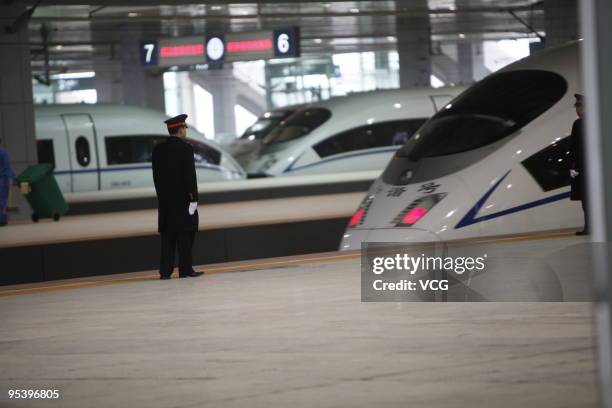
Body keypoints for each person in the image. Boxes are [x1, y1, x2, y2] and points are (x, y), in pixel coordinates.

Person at [152, 114, 204, 280]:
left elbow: (156, 177)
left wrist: (162, 197)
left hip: (165, 202)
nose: (185, 130)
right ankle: (185, 269)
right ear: (181, 130)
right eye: (185, 128)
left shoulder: (158, 150)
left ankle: (165, 272)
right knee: (185, 235)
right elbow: (190, 177)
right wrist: (194, 198)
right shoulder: (185, 149)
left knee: (168, 237)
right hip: (183, 201)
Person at [569, 93, 588, 235]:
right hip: (584, 169)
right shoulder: (578, 123)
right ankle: (590, 226)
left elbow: (575, 148)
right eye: (577, 106)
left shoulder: (581, 123)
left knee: (588, 200)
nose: (577, 109)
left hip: (587, 170)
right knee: (587, 200)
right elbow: (574, 148)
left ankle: (591, 226)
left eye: (579, 106)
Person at [0, 140, 16, 227]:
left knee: (2, 200)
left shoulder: (3, 153)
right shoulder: (3, 153)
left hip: (2, 179)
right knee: (2, 201)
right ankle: (1, 219)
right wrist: (12, 178)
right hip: (2, 180)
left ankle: (2, 218)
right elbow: (7, 167)